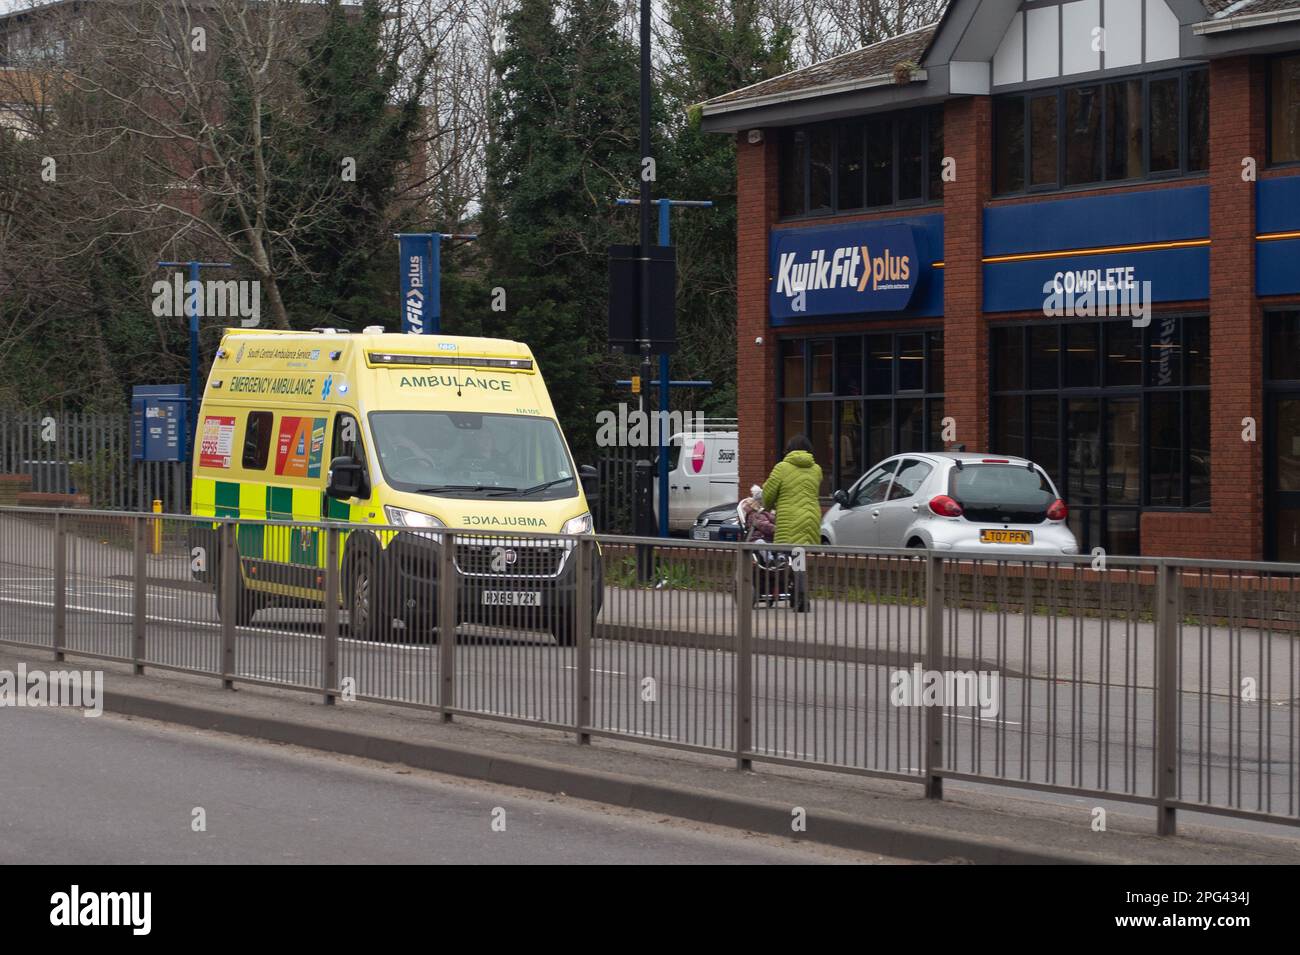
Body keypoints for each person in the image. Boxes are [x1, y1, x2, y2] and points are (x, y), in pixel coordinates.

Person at [761, 435, 823, 612]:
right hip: (811, 517)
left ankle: (800, 596)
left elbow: (767, 496)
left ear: (789, 449)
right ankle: (797, 594)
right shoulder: (816, 469)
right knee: (798, 557)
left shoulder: (781, 468)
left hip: (790, 518)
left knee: (788, 557)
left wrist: (770, 504)